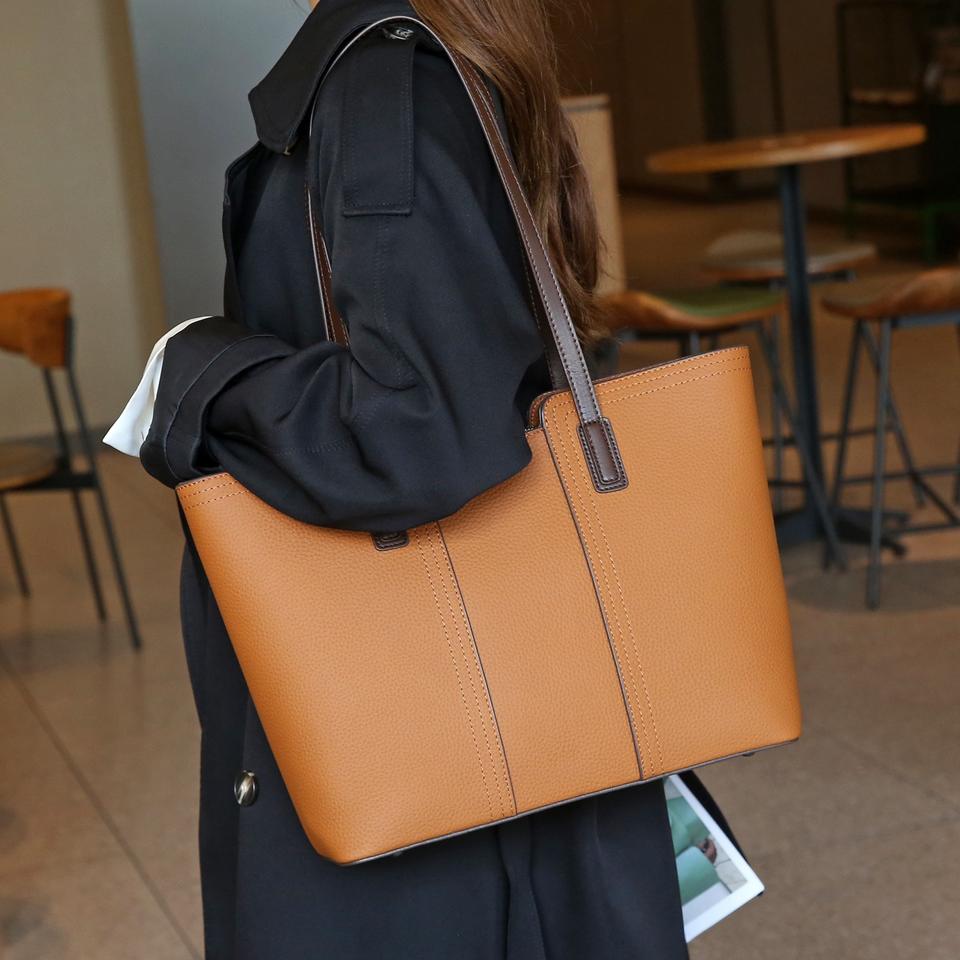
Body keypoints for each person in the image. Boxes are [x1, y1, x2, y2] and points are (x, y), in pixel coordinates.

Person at [125, 0, 736, 955]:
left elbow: (421, 425)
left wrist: (201, 370)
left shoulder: (386, 83)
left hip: (424, 732)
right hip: (496, 696)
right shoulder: (415, 62)